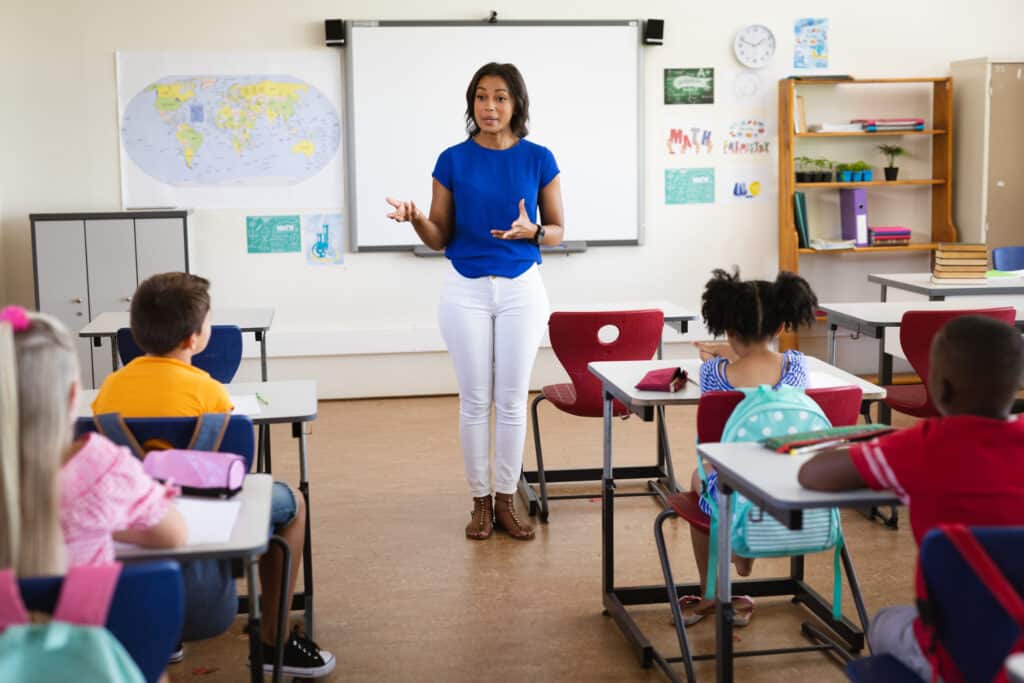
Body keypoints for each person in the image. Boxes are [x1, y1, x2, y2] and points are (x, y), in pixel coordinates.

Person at [92, 273, 334, 678]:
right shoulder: (210, 393)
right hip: (204, 517)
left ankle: (165, 635)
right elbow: (233, 473)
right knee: (291, 503)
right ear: (195, 339)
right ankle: (274, 640)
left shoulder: (109, 390)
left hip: (136, 523)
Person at [384, 62, 564, 541]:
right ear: (472, 104)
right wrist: (416, 218)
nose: (490, 106)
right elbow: (439, 237)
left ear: (516, 104)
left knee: (510, 402)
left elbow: (558, 230)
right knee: (474, 401)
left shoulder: (539, 157)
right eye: (481, 97)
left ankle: (507, 500)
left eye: (500, 97)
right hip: (465, 287)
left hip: (523, 287)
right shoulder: (452, 160)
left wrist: (536, 231)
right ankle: (480, 503)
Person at [798, 315, 1024, 681]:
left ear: (941, 389)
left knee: (883, 623)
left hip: (954, 655)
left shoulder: (922, 447)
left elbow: (812, 475)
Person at [0, 305, 185, 578]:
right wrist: (104, 518)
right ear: (73, 396)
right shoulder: (101, 468)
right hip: (85, 619)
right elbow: (173, 534)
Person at [682, 267, 819, 626]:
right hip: (787, 481)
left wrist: (719, 356)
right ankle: (744, 552)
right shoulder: (796, 367)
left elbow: (734, 371)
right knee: (742, 476)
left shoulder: (715, 375)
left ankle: (711, 590)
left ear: (728, 329)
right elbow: (760, 362)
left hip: (733, 487)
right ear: (779, 328)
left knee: (699, 478)